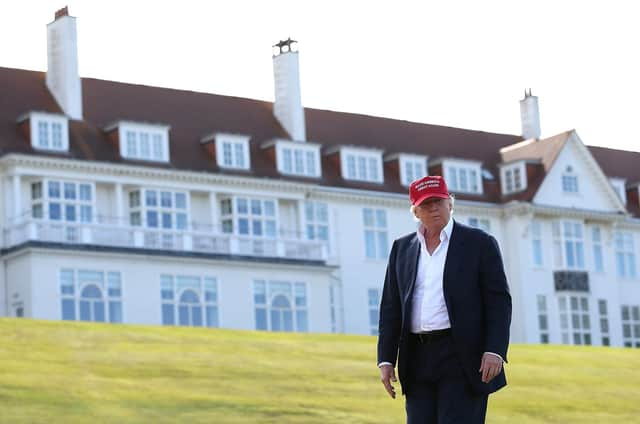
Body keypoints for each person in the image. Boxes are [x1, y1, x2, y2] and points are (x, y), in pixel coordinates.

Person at [377, 175, 512, 424]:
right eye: (426, 204)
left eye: (439, 202)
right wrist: (386, 359)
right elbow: (391, 307)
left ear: (450, 204)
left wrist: (494, 350)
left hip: (462, 356)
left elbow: (498, 302)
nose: (434, 208)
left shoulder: (479, 243)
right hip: (416, 357)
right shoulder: (401, 248)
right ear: (416, 212)